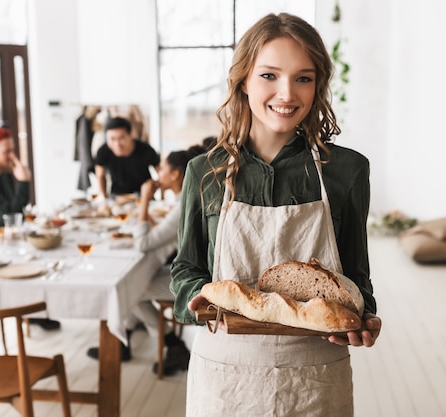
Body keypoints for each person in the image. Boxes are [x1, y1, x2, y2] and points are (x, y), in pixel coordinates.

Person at [170, 13, 382, 416]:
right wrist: (196, 299)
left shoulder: (347, 172)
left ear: (317, 85)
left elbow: (356, 274)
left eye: (303, 77)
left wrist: (363, 317)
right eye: (269, 75)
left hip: (316, 374)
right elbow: (185, 269)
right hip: (225, 376)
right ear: (243, 80)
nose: (287, 93)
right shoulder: (204, 172)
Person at [88, 144, 206, 375]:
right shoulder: (187, 197)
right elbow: (167, 232)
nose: (157, 173)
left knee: (132, 290)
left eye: (161, 169)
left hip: (191, 280)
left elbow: (144, 244)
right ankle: (124, 342)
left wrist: (144, 200)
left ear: (175, 174)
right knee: (132, 283)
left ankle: (174, 346)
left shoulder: (184, 203)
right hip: (186, 270)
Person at [0, 126, 61, 332]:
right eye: (6, 151)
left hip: (11, 242)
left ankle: (35, 311)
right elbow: (10, 216)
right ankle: (31, 311)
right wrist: (24, 183)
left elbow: (16, 217)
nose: (12, 156)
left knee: (51, 255)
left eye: (12, 150)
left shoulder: (5, 175)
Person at [94, 116, 160, 198]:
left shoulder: (146, 149)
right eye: (112, 139)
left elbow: (162, 173)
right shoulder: (103, 151)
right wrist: (104, 197)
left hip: (144, 197)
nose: (117, 144)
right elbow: (100, 175)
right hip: (117, 197)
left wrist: (162, 196)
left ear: (131, 135)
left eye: (121, 138)